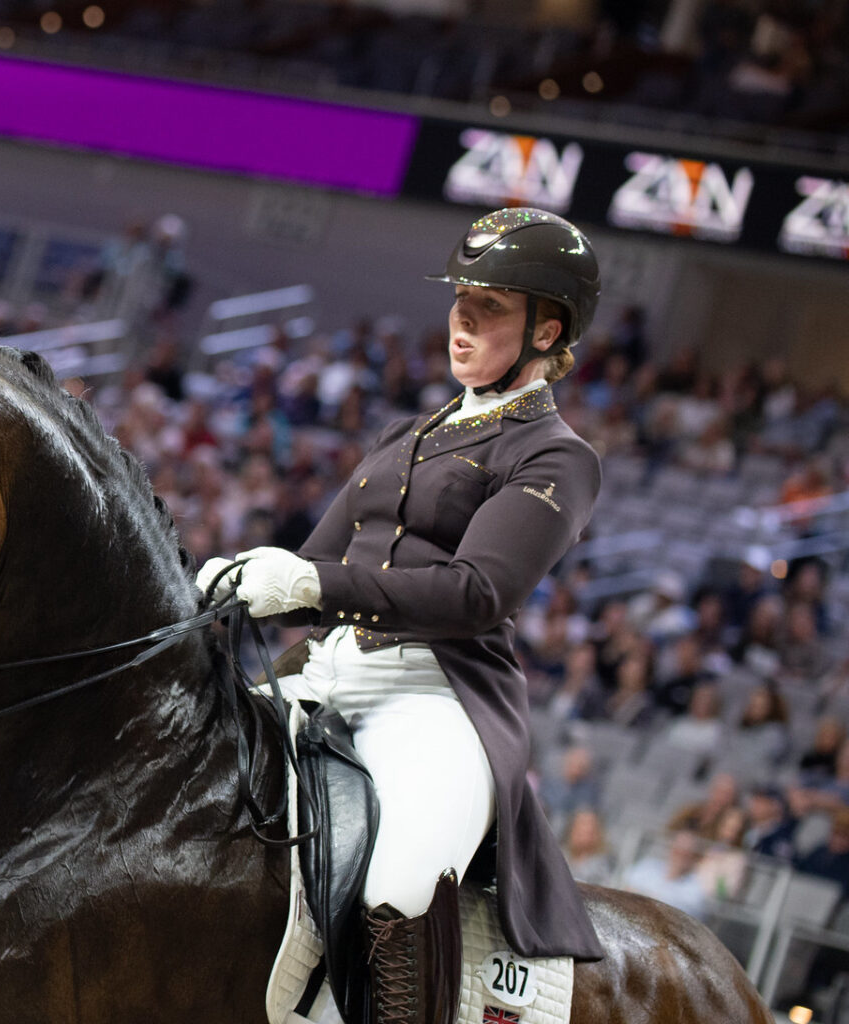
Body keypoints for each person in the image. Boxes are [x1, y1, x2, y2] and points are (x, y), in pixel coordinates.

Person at [199, 209, 607, 1020]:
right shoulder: (405, 434)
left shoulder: (555, 455)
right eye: (461, 300)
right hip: (328, 675)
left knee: (399, 883)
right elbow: (316, 562)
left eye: (489, 307)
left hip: (437, 697)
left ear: (544, 328)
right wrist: (230, 584)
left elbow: (476, 594)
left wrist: (311, 586)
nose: (461, 320)